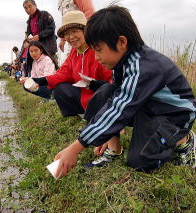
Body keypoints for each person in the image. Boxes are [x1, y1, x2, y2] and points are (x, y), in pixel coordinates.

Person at [54, 5, 196, 178]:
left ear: (122, 42)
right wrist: (106, 135)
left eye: (98, 50)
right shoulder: (123, 62)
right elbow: (114, 99)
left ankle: (184, 139)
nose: (96, 57)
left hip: (173, 115)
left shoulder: (144, 66)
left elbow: (120, 108)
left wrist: (75, 148)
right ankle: (113, 147)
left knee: (140, 161)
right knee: (106, 91)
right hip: (148, 108)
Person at [32, 11, 112, 119]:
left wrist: (100, 85)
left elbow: (114, 80)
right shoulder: (74, 52)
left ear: (85, 31)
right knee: (59, 88)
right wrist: (43, 80)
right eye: (67, 34)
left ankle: (107, 117)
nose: (71, 37)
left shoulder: (98, 49)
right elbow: (64, 72)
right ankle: (78, 115)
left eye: (74, 31)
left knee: (107, 89)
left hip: (101, 98)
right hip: (83, 96)